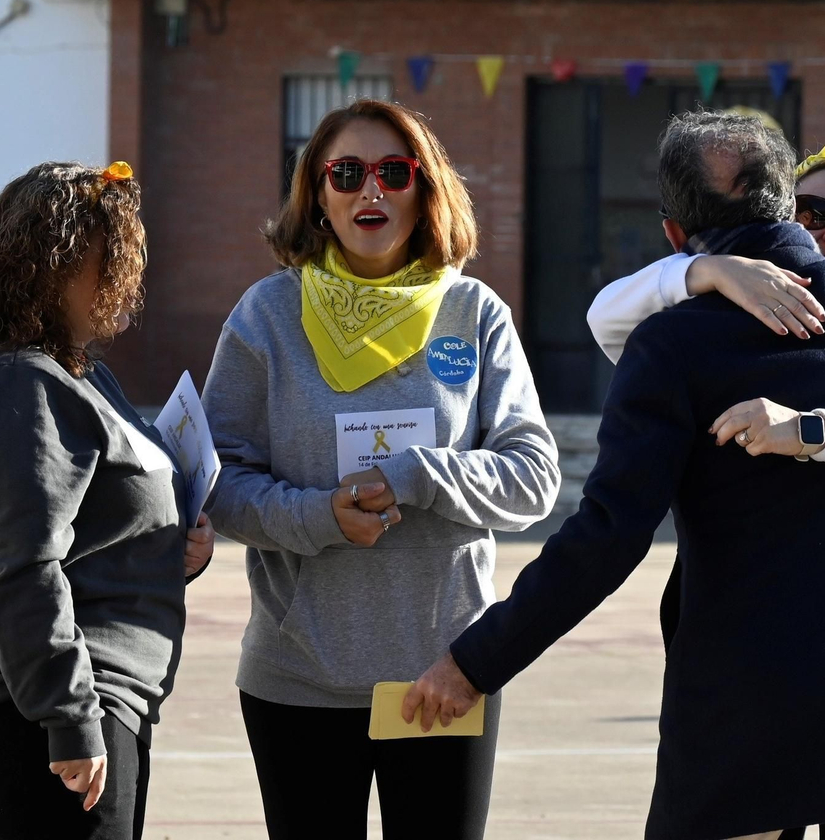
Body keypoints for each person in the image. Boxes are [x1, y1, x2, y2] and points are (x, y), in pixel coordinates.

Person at [407, 111, 825, 840]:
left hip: (744, 685)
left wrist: (477, 661)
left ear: (672, 232)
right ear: (788, 206)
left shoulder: (668, 343)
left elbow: (607, 537)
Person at [202, 99, 561, 840]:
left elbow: (533, 480)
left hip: (442, 676)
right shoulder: (266, 316)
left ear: (425, 190)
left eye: (395, 172)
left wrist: (421, 474)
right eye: (348, 173)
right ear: (317, 193)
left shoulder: (474, 313)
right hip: (297, 680)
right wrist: (316, 517)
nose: (372, 190)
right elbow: (217, 481)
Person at [0, 160, 215, 840]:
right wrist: (67, 714)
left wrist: (178, 548)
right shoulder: (19, 383)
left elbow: (97, 530)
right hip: (37, 703)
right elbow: (19, 561)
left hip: (96, 693)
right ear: (51, 264)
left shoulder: (84, 377)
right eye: (111, 256)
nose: (125, 276)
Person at [587, 136, 825, 611]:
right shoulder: (721, 329)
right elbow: (606, 317)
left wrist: (811, 430)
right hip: (749, 620)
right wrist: (708, 269)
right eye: (813, 213)